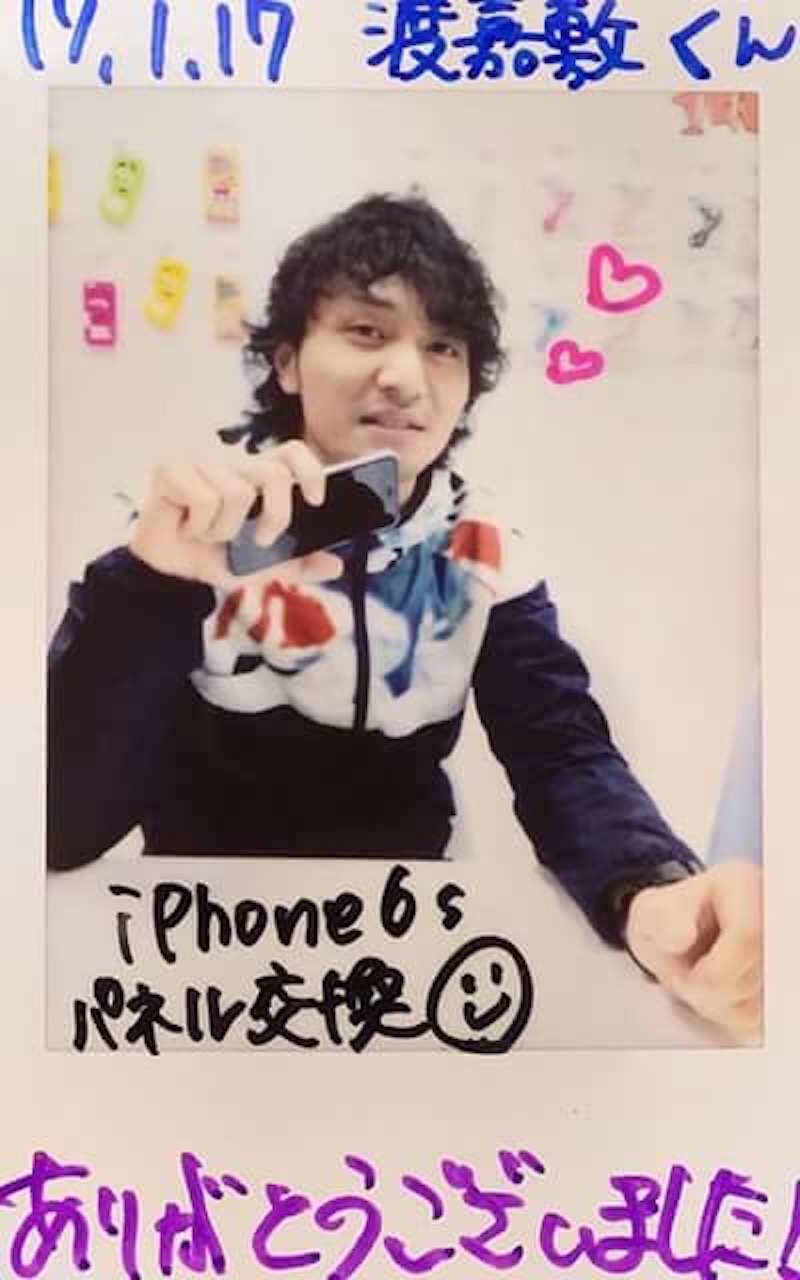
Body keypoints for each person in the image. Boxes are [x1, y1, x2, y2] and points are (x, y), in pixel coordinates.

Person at [48, 193, 761, 1041]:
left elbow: (563, 752)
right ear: (287, 361)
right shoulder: (187, 525)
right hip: (193, 946)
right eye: (366, 330)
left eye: (443, 346)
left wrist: (648, 890)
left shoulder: (485, 552)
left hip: (407, 944)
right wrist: (152, 584)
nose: (406, 377)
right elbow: (61, 827)